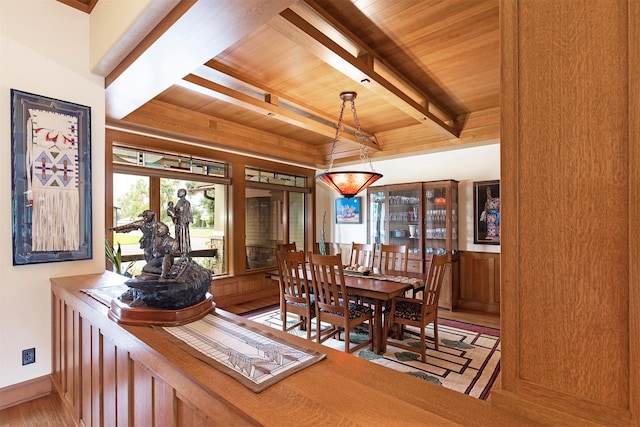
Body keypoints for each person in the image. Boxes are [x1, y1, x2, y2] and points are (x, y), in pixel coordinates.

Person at [173, 188, 193, 258]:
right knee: (178, 237)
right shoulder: (178, 202)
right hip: (178, 223)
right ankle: (180, 251)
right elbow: (175, 211)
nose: (177, 194)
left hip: (183, 223)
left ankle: (184, 252)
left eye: (178, 192)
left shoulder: (186, 203)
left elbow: (186, 213)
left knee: (183, 237)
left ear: (182, 193)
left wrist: (182, 219)